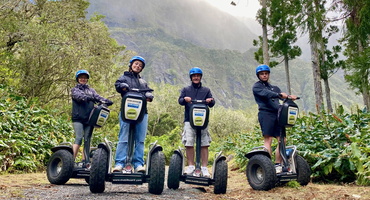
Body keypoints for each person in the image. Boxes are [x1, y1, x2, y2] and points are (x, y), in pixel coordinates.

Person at [252, 64, 297, 173]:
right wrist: (280, 95)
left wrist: (290, 98)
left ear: (268, 75)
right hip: (265, 114)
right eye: (262, 74)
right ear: (258, 75)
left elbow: (281, 98)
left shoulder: (275, 88)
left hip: (278, 115)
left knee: (282, 140)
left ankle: (278, 164)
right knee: (268, 139)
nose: (264, 76)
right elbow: (268, 94)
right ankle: (267, 165)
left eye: (266, 74)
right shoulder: (257, 87)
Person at [113, 56, 154, 173]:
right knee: (123, 137)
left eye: (140, 66)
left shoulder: (143, 82)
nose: (138, 66)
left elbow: (149, 92)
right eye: (136, 64)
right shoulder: (124, 78)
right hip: (126, 112)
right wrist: (122, 86)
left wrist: (149, 96)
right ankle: (120, 163)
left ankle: (138, 164)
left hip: (142, 113)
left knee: (140, 139)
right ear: (131, 65)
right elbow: (118, 85)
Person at [178, 67, 215, 178]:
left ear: (200, 77)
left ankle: (204, 168)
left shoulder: (206, 90)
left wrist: (210, 100)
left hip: (203, 121)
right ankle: (191, 166)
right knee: (189, 143)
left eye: (198, 76)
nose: (196, 77)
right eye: (194, 76)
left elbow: (212, 103)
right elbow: (180, 101)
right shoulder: (186, 89)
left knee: (204, 144)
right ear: (191, 77)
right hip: (189, 121)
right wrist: (185, 99)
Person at [71, 70, 113, 163]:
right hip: (78, 118)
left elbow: (98, 97)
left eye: (85, 78)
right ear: (78, 79)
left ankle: (85, 161)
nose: (83, 79)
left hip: (89, 118)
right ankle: (70, 160)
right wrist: (89, 98)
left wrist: (106, 101)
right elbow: (79, 97)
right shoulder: (75, 90)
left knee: (87, 139)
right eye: (81, 77)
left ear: (87, 79)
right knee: (78, 138)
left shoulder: (91, 90)